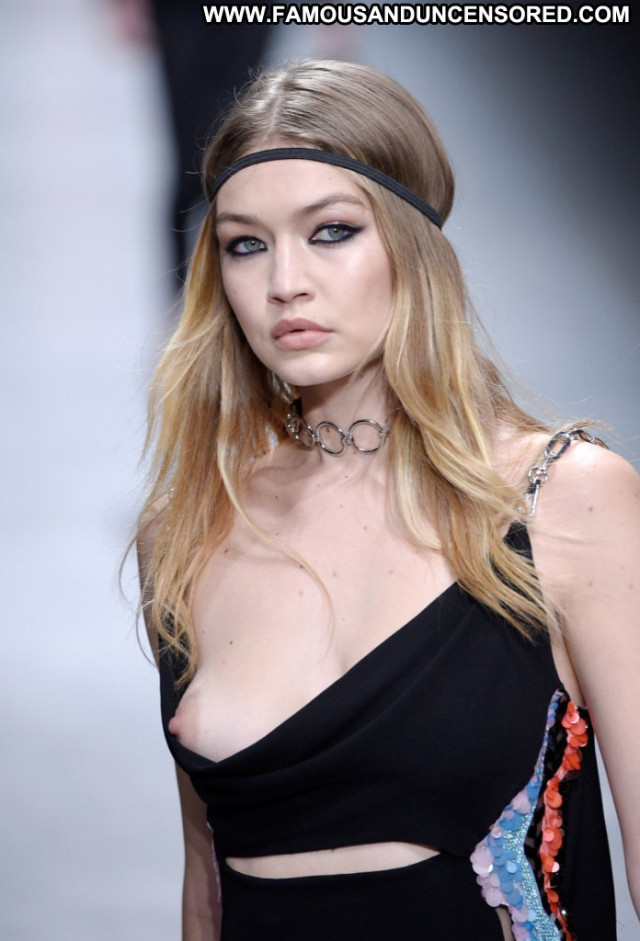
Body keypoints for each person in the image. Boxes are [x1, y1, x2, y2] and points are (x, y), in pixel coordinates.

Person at [136, 59, 639, 940]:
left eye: (331, 231)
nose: (285, 281)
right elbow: (206, 886)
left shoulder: (562, 499)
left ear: (413, 245)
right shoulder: (189, 529)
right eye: (246, 244)